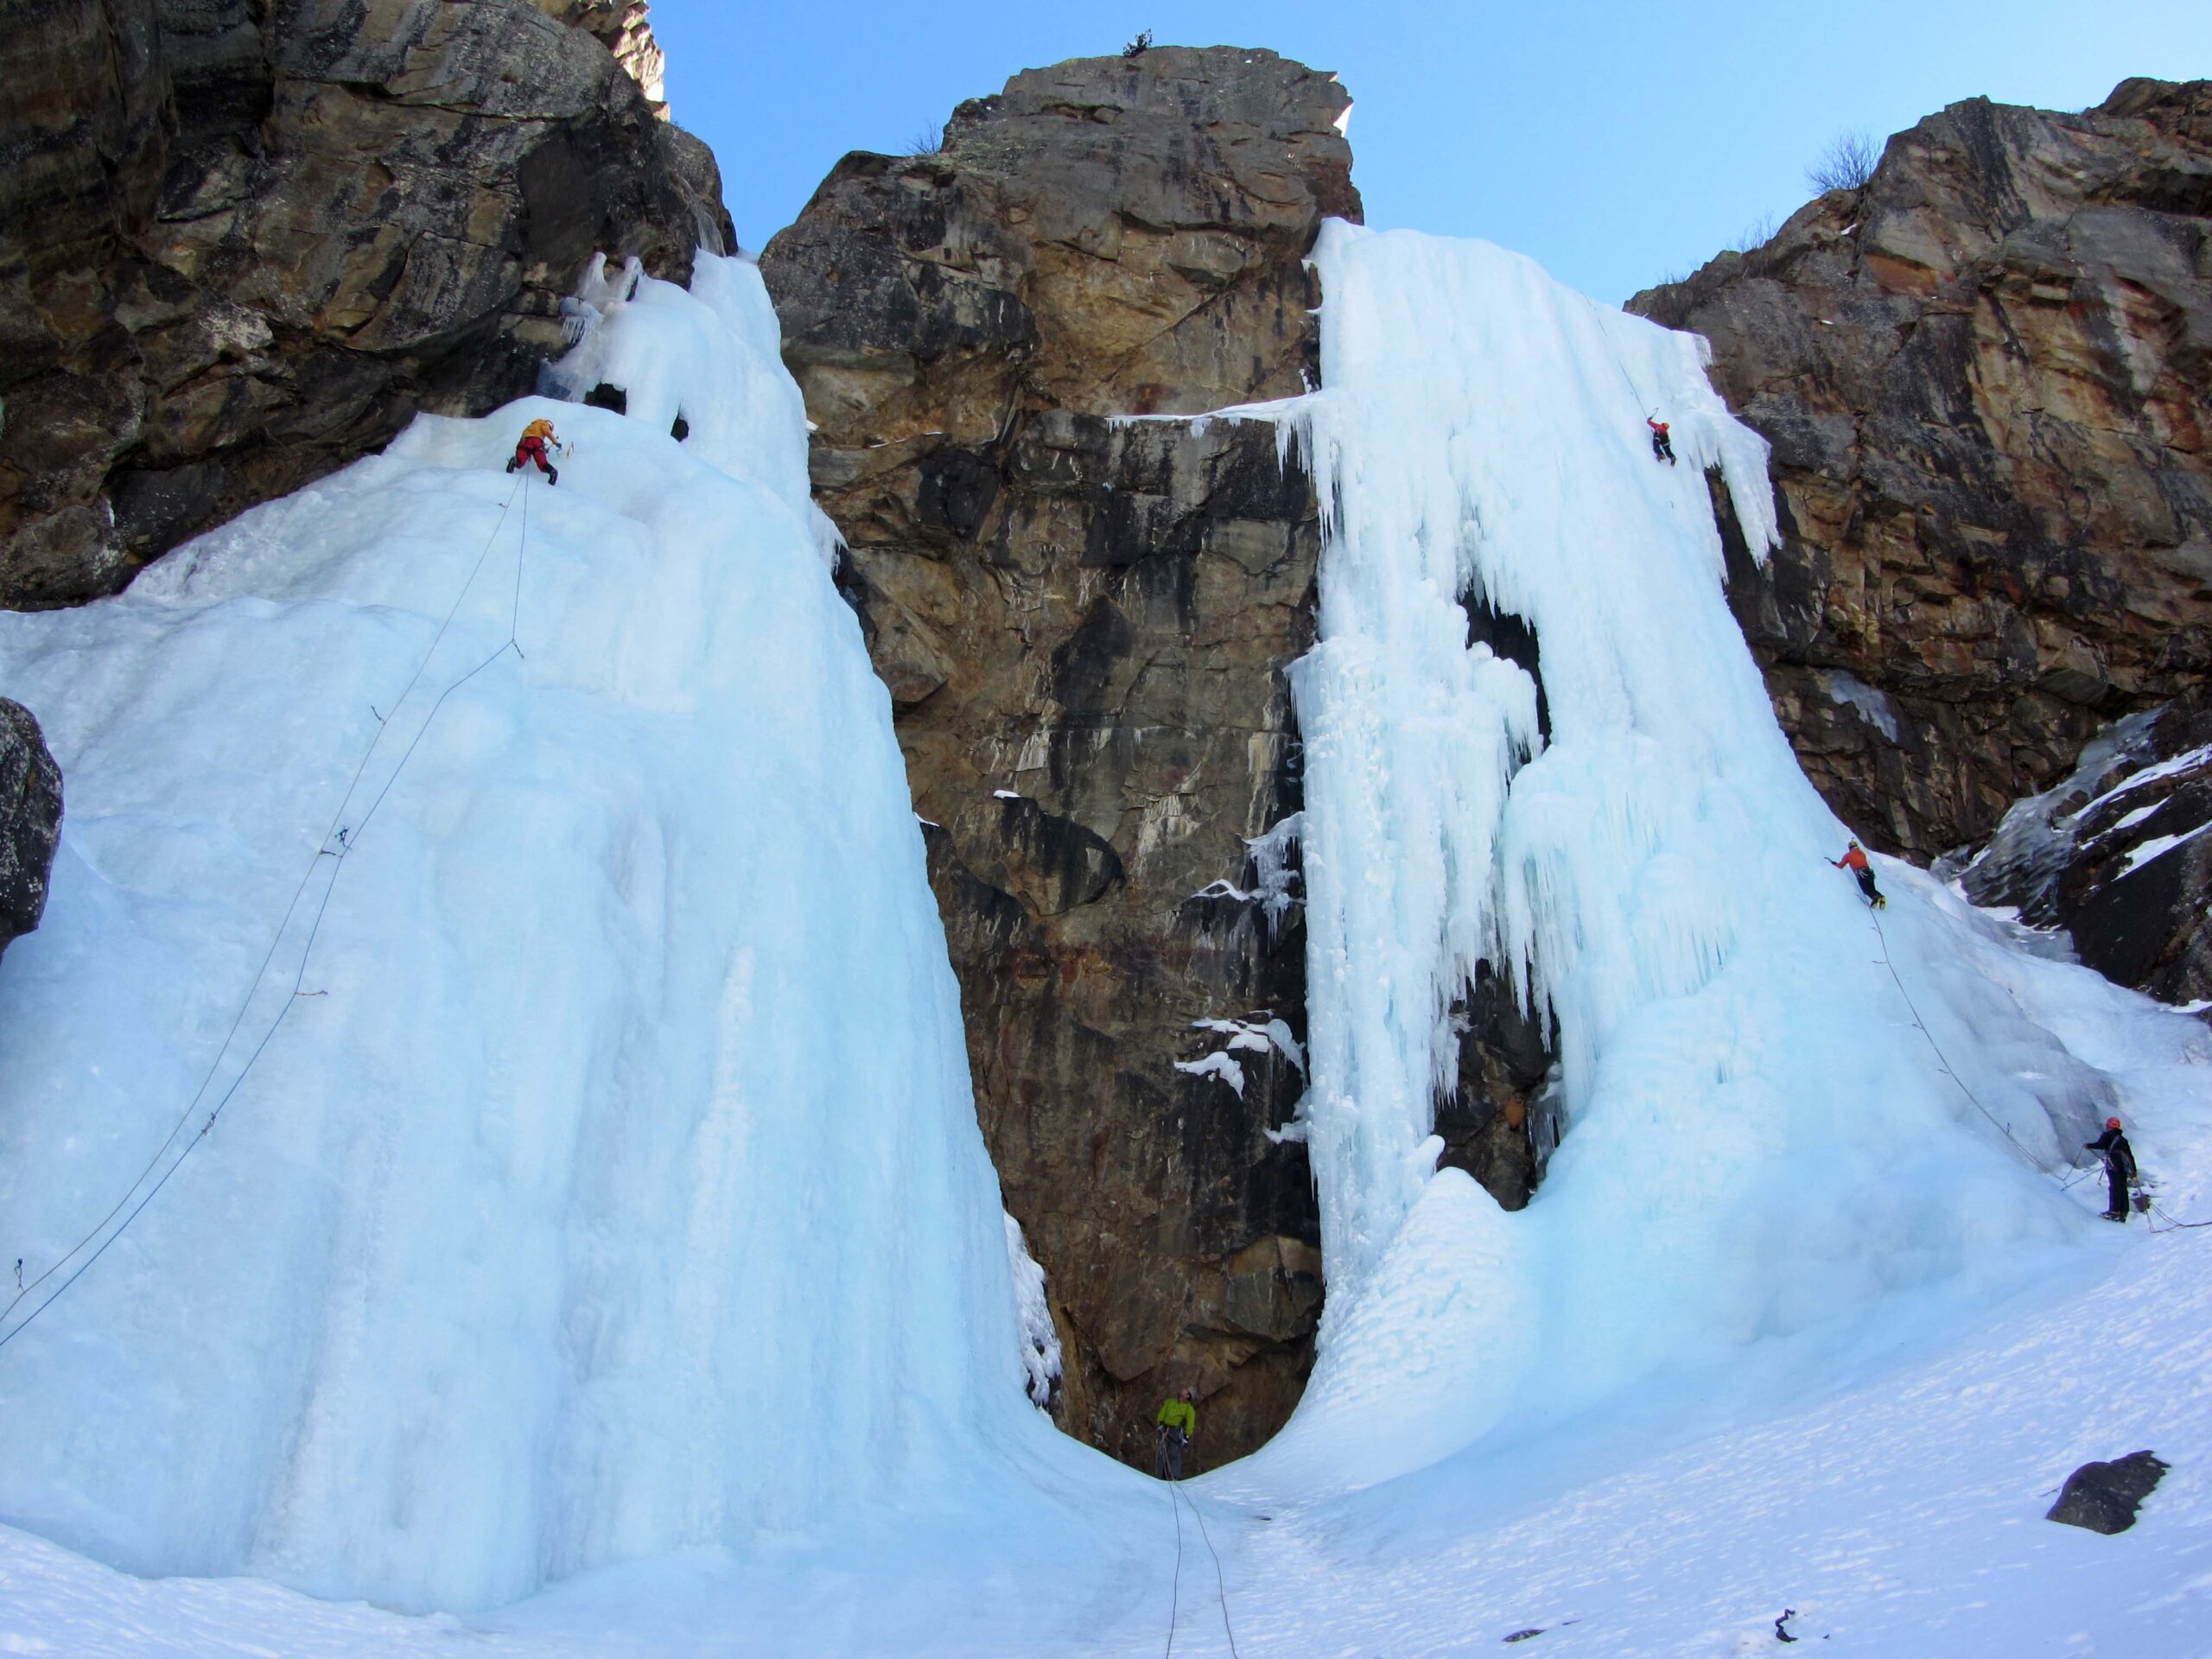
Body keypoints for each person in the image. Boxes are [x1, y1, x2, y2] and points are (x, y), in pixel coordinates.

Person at [2084, 1116, 2138, 1223]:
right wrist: (2133, 1172)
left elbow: (2101, 1145)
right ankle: (2123, 1212)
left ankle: (2114, 1211)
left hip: (2113, 1164)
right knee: (2122, 1187)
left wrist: (2088, 1145)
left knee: (2115, 1187)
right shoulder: (2123, 1139)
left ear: (2108, 1125)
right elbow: (2129, 1156)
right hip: (2123, 1166)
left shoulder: (2108, 1135)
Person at [1154, 1387, 1197, 1480]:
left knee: (1174, 1453)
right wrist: (1161, 1423)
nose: (1183, 1390)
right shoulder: (1170, 1402)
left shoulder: (1189, 1409)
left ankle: (1175, 1477)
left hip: (1175, 1431)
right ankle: (1160, 1477)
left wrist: (1186, 1436)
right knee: (1161, 1452)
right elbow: (1163, 1412)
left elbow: (1190, 1423)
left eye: (1186, 1391)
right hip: (1164, 1429)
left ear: (1188, 1396)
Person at [1832, 839, 1884, 908]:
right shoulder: (1862, 853)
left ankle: (1876, 898)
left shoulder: (1848, 855)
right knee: (1872, 888)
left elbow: (1841, 866)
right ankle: (1881, 898)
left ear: (1850, 848)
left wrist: (1834, 864)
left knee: (1866, 890)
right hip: (1869, 871)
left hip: (1861, 873)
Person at [507, 416, 560, 485]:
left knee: (521, 459)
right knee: (542, 463)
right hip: (536, 441)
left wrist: (529, 452)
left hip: (524, 440)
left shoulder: (530, 427)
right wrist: (556, 442)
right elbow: (547, 432)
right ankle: (552, 472)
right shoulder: (544, 424)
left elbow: (525, 438)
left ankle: (514, 462)